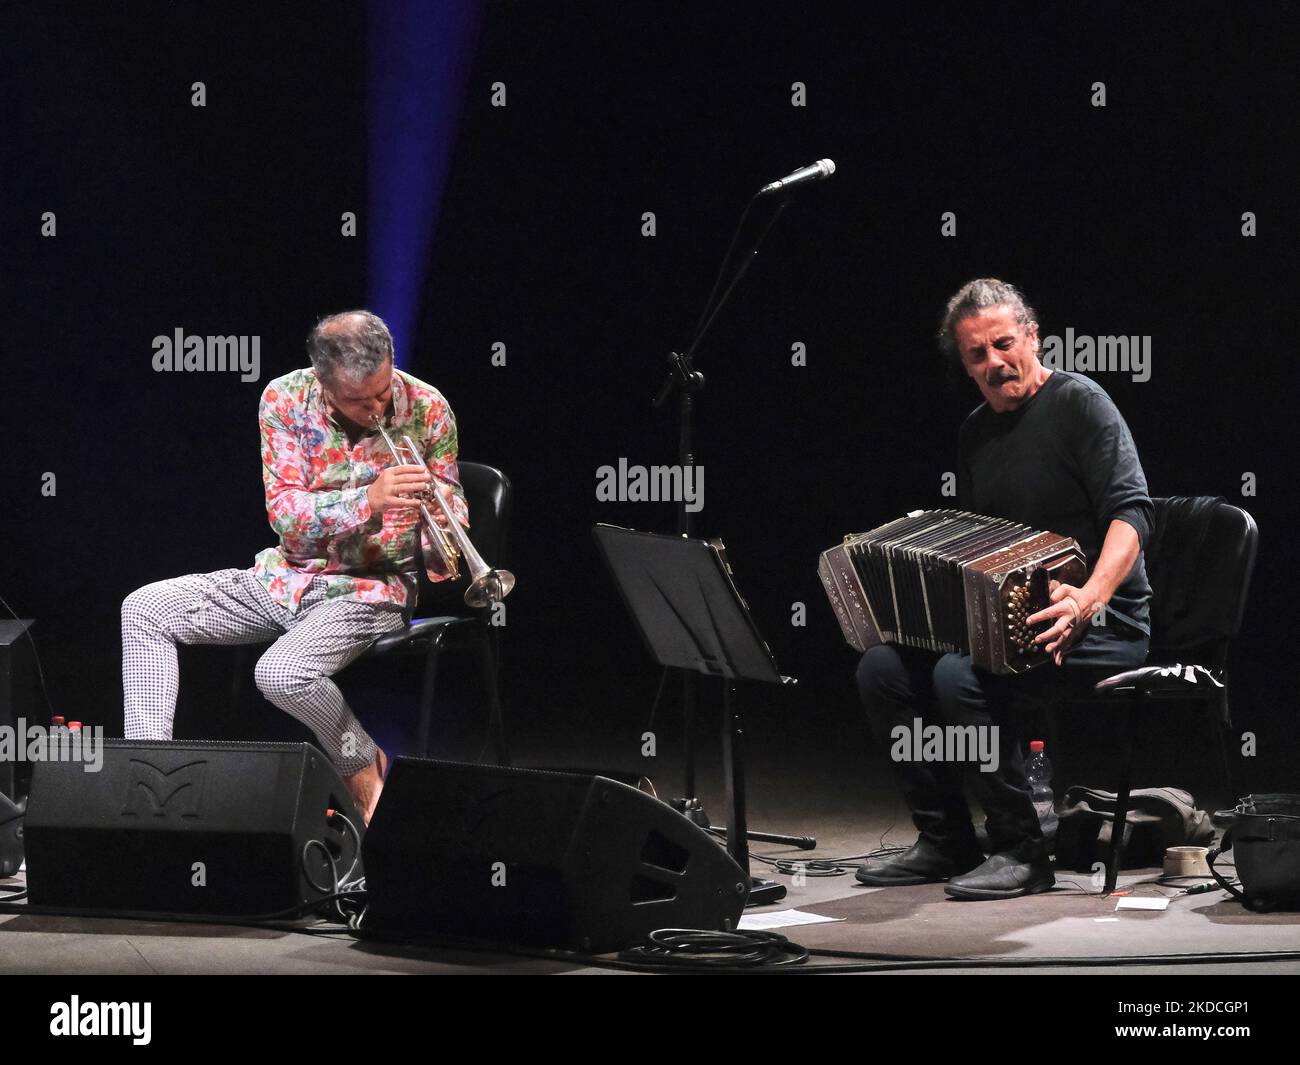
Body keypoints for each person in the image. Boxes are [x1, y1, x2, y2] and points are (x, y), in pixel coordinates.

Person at [855, 279, 1152, 899]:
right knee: (882, 667)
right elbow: (982, 546)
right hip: (1010, 620)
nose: (994, 363)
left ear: (1033, 337)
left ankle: (1022, 848)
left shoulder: (1081, 405)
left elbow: (1133, 516)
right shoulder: (974, 433)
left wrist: (1089, 596)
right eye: (976, 355)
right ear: (963, 365)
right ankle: (947, 841)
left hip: (1101, 619)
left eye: (1003, 344)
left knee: (959, 676)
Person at [121, 310, 466, 823]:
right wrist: (367, 500)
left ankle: (359, 757)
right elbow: (286, 518)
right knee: (144, 607)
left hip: (370, 588)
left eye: (382, 391)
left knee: (282, 673)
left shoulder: (428, 407)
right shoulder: (283, 400)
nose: (376, 409)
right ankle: (149, 776)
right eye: (358, 399)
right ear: (323, 382)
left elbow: (451, 530)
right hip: (286, 576)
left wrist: (437, 515)